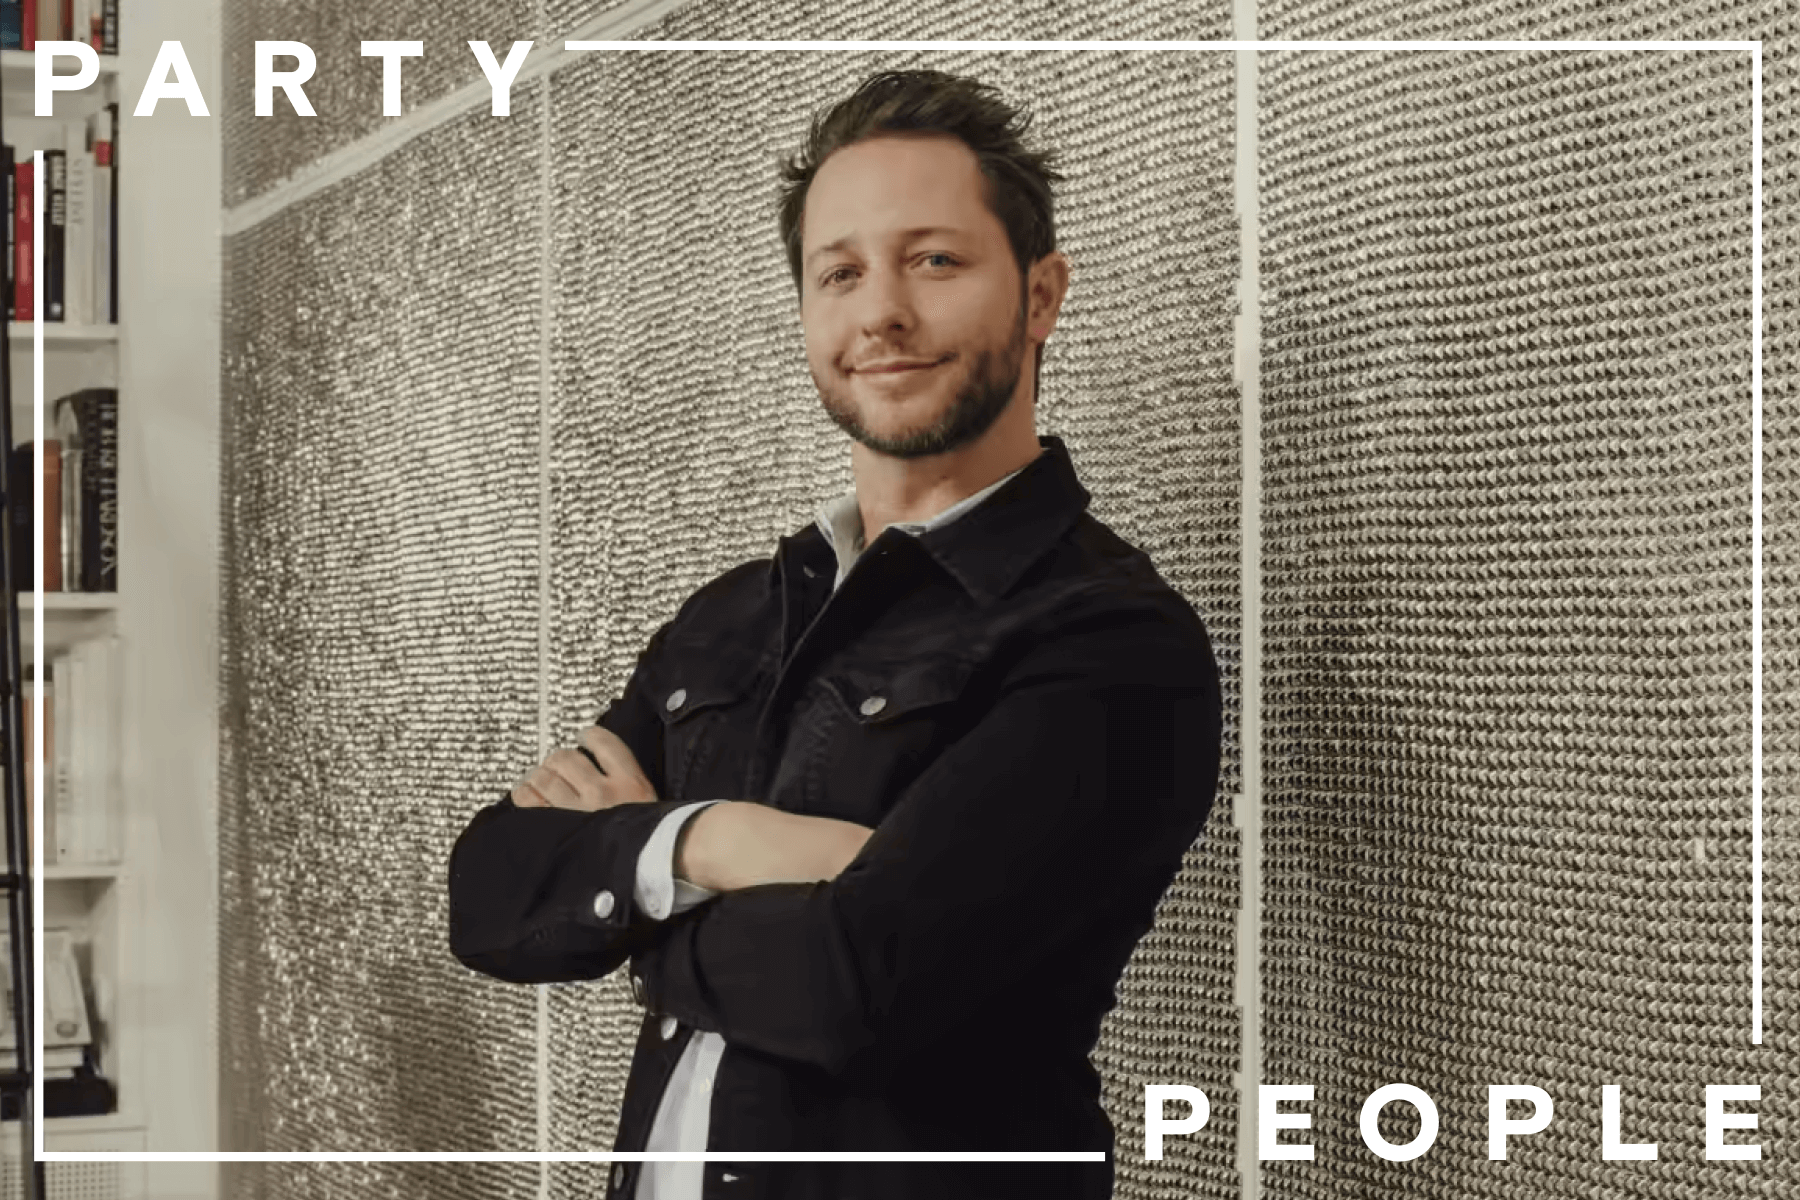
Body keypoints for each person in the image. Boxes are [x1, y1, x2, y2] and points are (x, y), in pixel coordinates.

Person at [447, 68, 1223, 1200]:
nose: (881, 313)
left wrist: (631, 877)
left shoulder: (1111, 639)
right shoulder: (732, 617)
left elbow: (855, 985)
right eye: (841, 272)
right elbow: (491, 892)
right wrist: (714, 845)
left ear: (1042, 295)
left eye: (936, 260)